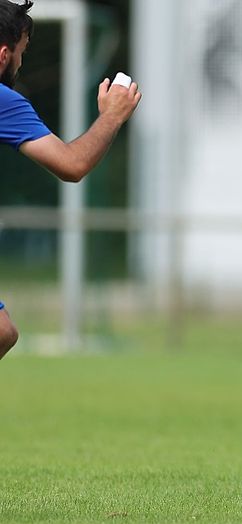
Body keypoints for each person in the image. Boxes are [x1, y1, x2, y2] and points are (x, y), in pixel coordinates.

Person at [0, 0, 141, 361]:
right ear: (3, 54)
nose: (21, 63)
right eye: (21, 52)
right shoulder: (3, 101)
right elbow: (72, 164)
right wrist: (112, 116)